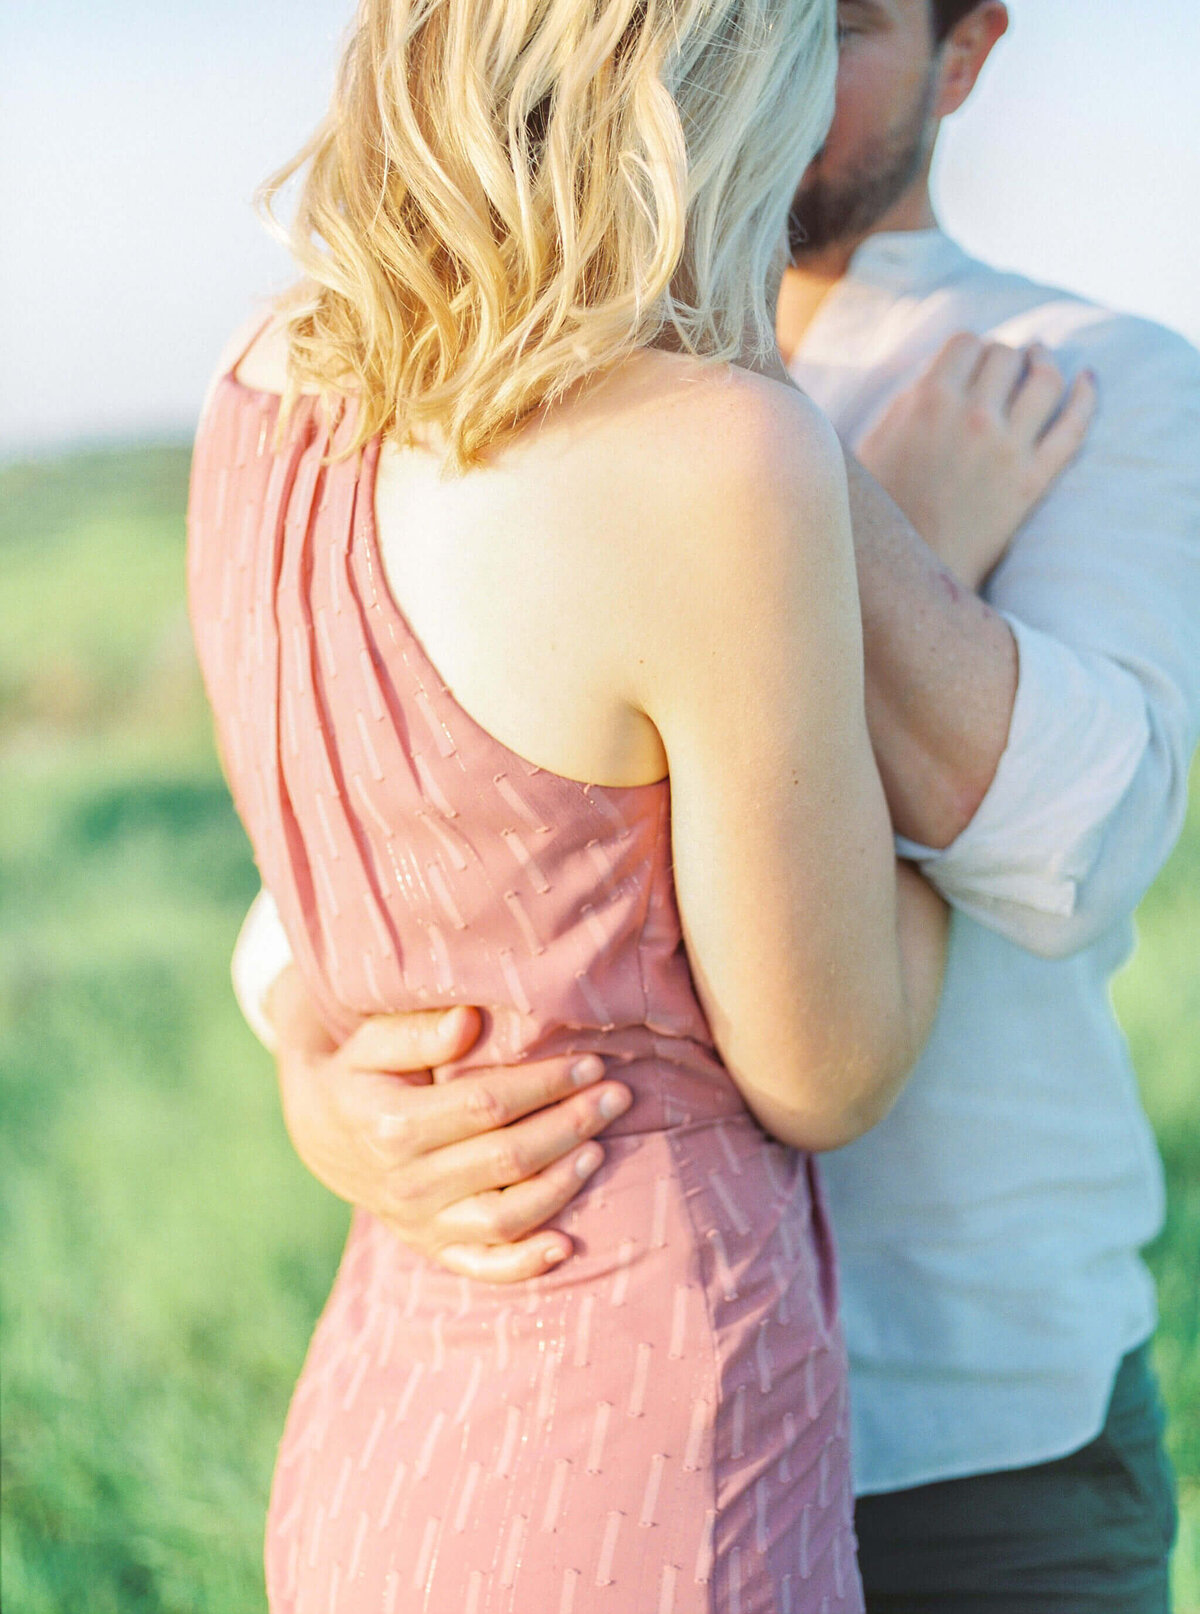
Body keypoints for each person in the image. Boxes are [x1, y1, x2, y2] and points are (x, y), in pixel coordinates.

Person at [234, 1, 1200, 1609]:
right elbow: (343, 884)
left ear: (968, 57)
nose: (763, 64)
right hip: (610, 1406)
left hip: (978, 1414)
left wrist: (808, 497)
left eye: (845, 24)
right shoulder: (511, 365)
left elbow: (1082, 849)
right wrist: (322, 1077)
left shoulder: (1088, 378)